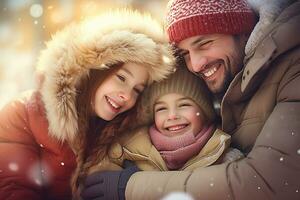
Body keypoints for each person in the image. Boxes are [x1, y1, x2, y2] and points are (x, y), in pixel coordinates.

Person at [80, 0, 300, 200]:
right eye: (185, 53)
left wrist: (129, 186)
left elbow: (272, 182)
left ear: (242, 32)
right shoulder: (233, 76)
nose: (195, 65)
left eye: (204, 44)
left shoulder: (293, 67)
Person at [0, 9, 175, 200]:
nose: (126, 95)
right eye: (121, 78)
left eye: (137, 90)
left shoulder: (122, 135)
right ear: (94, 69)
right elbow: (13, 189)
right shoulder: (22, 113)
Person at [80, 66, 245, 199]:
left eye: (184, 105)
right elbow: (94, 183)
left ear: (204, 110)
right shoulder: (127, 148)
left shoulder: (226, 157)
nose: (172, 115)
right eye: (161, 108)